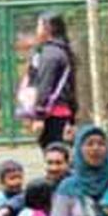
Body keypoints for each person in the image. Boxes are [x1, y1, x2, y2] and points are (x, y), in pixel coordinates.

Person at [24, 12, 78, 148]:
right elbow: (72, 88)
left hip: (51, 115)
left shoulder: (50, 54)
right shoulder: (63, 51)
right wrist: (72, 117)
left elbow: (45, 85)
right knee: (62, 153)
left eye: (38, 26)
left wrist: (39, 116)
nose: (36, 30)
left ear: (47, 28)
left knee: (54, 153)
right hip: (63, 113)